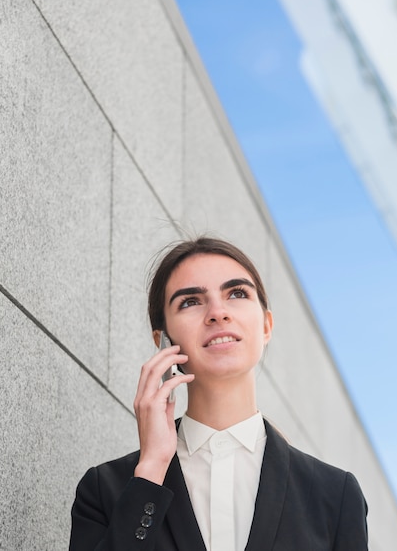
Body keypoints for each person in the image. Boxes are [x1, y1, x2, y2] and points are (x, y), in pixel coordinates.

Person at [69, 236, 368, 550]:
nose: (217, 312)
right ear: (163, 340)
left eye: (237, 293)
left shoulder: (334, 495)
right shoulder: (106, 489)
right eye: (190, 301)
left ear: (266, 326)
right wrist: (151, 470)